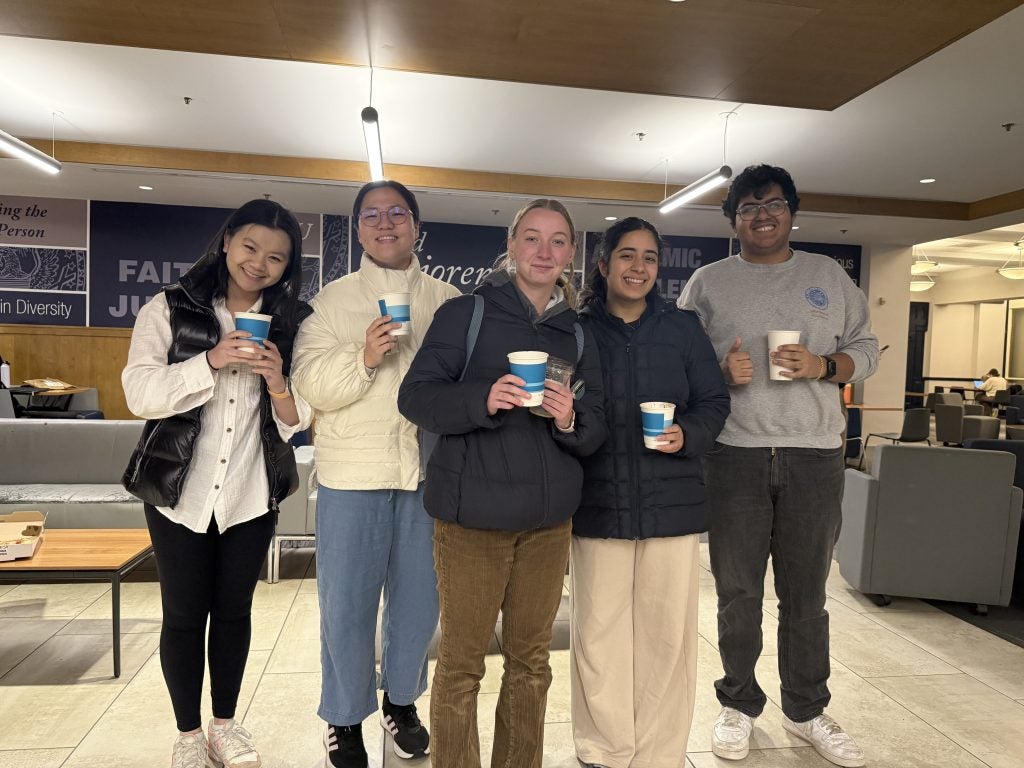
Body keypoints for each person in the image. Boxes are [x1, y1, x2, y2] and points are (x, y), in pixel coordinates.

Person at [678, 164, 878, 768]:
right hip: (733, 456)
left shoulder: (828, 276)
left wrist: (823, 366)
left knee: (807, 595)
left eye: (774, 204)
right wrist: (715, 373)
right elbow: (678, 362)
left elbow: (866, 350)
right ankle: (738, 703)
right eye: (748, 207)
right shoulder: (707, 283)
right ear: (732, 219)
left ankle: (808, 708)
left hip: (814, 456)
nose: (762, 215)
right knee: (737, 593)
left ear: (792, 211)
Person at [397, 198, 607, 768]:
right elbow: (414, 397)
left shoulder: (578, 334)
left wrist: (568, 418)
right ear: (511, 246)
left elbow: (594, 428)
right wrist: (481, 397)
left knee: (531, 663)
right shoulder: (465, 315)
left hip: (547, 525)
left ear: (570, 254)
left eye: (558, 240)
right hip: (470, 521)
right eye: (532, 238)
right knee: (462, 664)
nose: (544, 251)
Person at [122, 199, 313, 768]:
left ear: (287, 266)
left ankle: (225, 727)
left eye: (276, 257)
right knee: (183, 615)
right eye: (251, 247)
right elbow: (139, 394)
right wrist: (208, 361)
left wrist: (279, 382)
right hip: (178, 491)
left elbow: (299, 421)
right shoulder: (169, 308)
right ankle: (187, 735)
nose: (259, 264)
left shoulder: (293, 323)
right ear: (227, 242)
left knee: (234, 613)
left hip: (251, 494)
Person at [290, 180, 460, 768]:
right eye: (371, 216)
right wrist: (363, 356)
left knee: (419, 602)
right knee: (347, 607)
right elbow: (309, 387)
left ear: (417, 226)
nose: (385, 224)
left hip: (426, 475)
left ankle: (402, 701)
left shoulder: (448, 299)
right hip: (351, 477)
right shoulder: (330, 302)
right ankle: (343, 717)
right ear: (357, 230)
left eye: (397, 214)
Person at [572, 217, 730, 768]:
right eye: (626, 256)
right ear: (603, 264)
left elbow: (714, 402)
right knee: (597, 636)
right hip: (597, 504)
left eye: (649, 258)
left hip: (673, 505)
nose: (638, 267)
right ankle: (605, 747)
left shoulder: (683, 329)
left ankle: (661, 753)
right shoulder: (577, 329)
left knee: (667, 637)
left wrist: (689, 433)